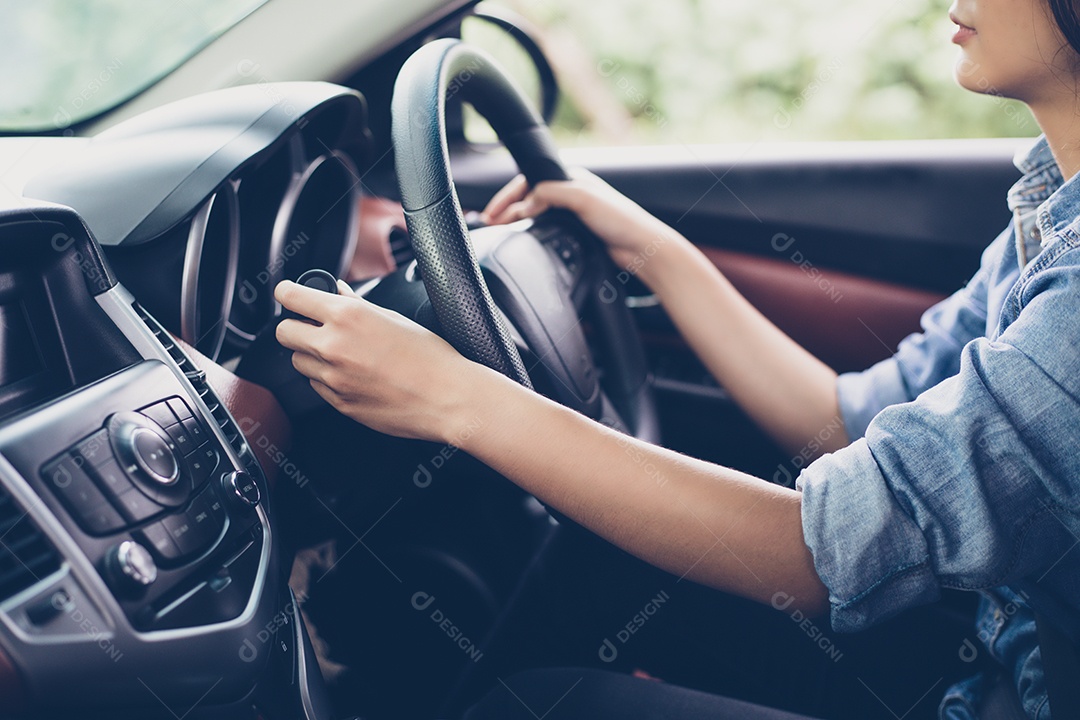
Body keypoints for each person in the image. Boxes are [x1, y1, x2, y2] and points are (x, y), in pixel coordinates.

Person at [274, 0, 1080, 716]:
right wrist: (656, 251)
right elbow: (850, 422)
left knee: (536, 704)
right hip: (991, 653)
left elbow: (817, 554)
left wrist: (458, 400)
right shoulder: (1050, 205)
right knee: (596, 574)